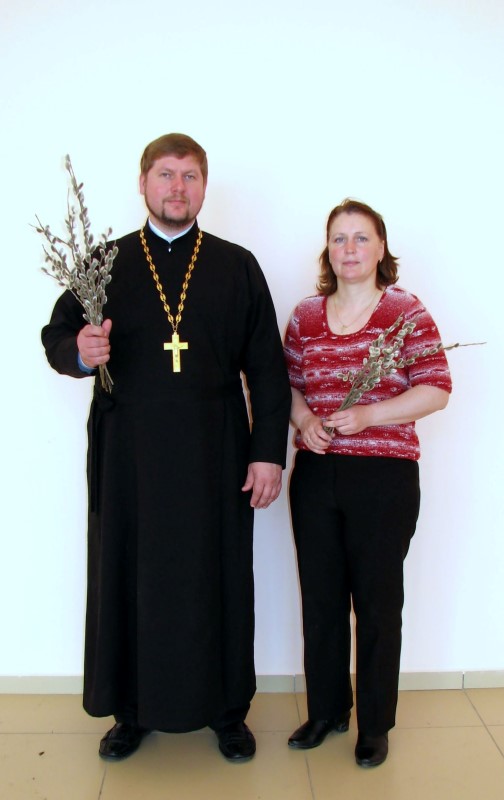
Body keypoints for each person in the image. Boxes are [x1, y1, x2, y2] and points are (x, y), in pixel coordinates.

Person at [41, 133, 291, 763]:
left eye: (189, 176)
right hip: (130, 459)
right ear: (143, 183)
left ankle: (227, 711)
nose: (177, 187)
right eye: (165, 174)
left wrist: (268, 453)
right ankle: (130, 711)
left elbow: (267, 368)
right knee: (129, 575)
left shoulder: (236, 265)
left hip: (216, 455)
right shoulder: (104, 263)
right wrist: (79, 352)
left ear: (204, 187)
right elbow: (57, 334)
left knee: (218, 576)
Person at [283, 198, 451, 767]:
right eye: (339, 239)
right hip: (317, 473)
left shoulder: (405, 311)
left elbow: (436, 387)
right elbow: (287, 383)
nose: (349, 249)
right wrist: (304, 420)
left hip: (384, 476)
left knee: (377, 604)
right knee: (320, 599)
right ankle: (327, 710)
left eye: (361, 238)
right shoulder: (306, 315)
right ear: (327, 251)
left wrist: (369, 415)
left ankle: (375, 724)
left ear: (381, 248)